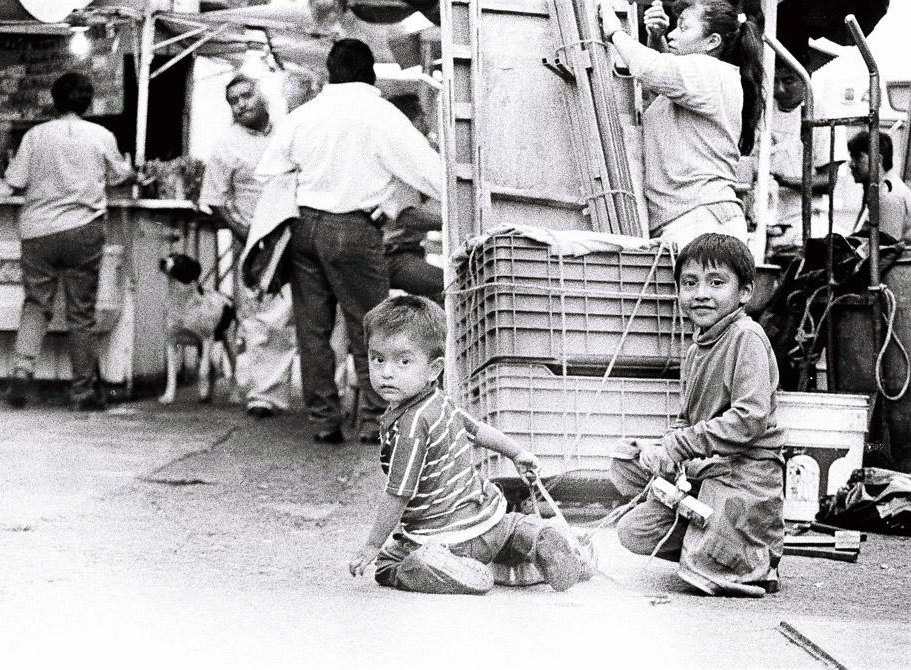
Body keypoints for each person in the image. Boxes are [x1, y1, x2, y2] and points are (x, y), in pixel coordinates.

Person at [256, 39, 441, 444]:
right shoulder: (382, 116)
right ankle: (376, 421)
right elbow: (432, 174)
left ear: (331, 70)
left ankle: (324, 420)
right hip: (354, 231)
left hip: (303, 227)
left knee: (313, 329)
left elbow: (268, 169)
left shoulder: (305, 114)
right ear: (369, 71)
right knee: (369, 327)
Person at [348, 294, 590, 594]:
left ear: (434, 368)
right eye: (378, 358)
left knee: (386, 565)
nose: (387, 372)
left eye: (403, 361)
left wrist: (372, 544)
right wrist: (518, 454)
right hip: (489, 519)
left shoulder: (410, 426)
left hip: (443, 538)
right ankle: (534, 537)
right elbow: (478, 430)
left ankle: (440, 567)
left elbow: (398, 493)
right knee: (512, 525)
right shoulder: (441, 401)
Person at [611, 233, 786, 597]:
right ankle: (709, 535)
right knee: (627, 476)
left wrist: (678, 445)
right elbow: (686, 420)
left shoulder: (747, 337)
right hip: (706, 467)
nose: (701, 293)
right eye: (689, 283)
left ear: (745, 292)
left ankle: (748, 549)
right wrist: (661, 448)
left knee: (704, 572)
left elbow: (749, 419)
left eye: (716, 283)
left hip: (745, 471)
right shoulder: (696, 349)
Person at [4, 72, 133, 410]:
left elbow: (14, 180)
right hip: (83, 230)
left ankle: (21, 370)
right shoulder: (101, 135)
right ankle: (82, 392)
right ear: (88, 103)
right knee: (81, 314)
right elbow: (121, 175)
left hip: (38, 231)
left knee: (36, 303)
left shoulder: (35, 135)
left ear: (54, 100)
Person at [599, 0, 764, 249]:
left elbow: (651, 68)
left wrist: (615, 32)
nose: (674, 34)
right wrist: (656, 37)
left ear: (712, 42)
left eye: (684, 28)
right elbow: (663, 82)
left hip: (699, 220)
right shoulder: (709, 76)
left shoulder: (707, 70)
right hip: (701, 217)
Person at [200, 74, 296, 418]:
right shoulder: (226, 145)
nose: (241, 105)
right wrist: (247, 236)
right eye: (233, 101)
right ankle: (262, 396)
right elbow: (216, 200)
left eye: (246, 96)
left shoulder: (289, 131)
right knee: (257, 319)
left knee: (295, 318)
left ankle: (316, 391)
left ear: (263, 95)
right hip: (253, 244)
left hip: (293, 237)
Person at [765, 56, 847, 257]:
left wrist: (783, 180)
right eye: (775, 81)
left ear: (806, 77)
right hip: (764, 225)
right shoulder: (764, 110)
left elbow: (828, 180)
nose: (780, 89)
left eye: (788, 81)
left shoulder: (822, 113)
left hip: (803, 225)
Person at [380, 93, 444, 304]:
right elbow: (407, 217)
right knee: (449, 285)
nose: (427, 127)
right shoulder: (396, 161)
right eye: (423, 119)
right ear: (409, 123)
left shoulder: (412, 158)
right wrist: (450, 221)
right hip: (391, 257)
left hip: (408, 252)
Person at [847, 130, 911, 245]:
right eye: (852, 157)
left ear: (879, 160)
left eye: (858, 156)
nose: (851, 164)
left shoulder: (889, 196)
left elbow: (886, 253)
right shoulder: (879, 192)